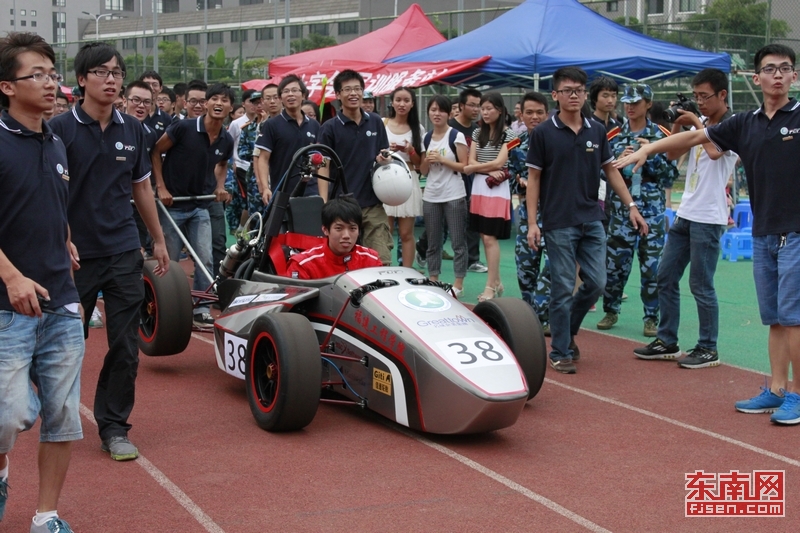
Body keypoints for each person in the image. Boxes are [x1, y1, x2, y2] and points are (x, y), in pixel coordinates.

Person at [615, 44, 800, 424]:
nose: (778, 75)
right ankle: (778, 389)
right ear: (756, 78)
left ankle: (797, 395)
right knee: (776, 319)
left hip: (795, 232)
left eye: (785, 68)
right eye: (770, 69)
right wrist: (648, 150)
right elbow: (692, 140)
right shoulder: (745, 123)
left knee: (794, 318)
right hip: (764, 232)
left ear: (794, 76)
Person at [49, 41, 170, 461]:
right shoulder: (59, 129)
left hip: (122, 249)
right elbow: (51, 193)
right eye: (101, 72)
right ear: (82, 79)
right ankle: (57, 414)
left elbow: (141, 188)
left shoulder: (133, 129)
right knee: (67, 344)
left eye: (116, 72)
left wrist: (157, 238)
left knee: (125, 345)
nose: (111, 79)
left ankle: (114, 427)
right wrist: (61, 238)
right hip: (73, 255)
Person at [0, 32, 84, 533]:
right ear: (7, 86)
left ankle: (46, 515)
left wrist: (65, 240)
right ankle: (2, 470)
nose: (51, 83)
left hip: (61, 303)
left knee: (63, 416)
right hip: (7, 306)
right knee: (8, 415)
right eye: (37, 75)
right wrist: (13, 277)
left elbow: (52, 203)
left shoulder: (56, 141)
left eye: (53, 74)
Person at [526, 66, 647, 374]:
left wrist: (631, 206)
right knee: (563, 286)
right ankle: (561, 350)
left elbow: (611, 170)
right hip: (558, 221)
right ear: (555, 95)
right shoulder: (543, 133)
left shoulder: (596, 130)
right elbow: (534, 179)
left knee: (597, 283)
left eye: (579, 90)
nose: (575, 96)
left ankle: (567, 329)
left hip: (592, 218)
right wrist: (533, 223)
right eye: (568, 91)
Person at [632, 69, 738, 368]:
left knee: (701, 284)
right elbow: (671, 155)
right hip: (686, 213)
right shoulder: (700, 122)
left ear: (722, 95)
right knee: (665, 276)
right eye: (696, 96)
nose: (700, 102)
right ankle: (667, 340)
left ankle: (708, 347)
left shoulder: (732, 124)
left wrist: (695, 123)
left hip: (709, 217)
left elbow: (714, 152)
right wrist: (679, 123)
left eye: (705, 96)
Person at [597, 84, 677, 337]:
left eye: (636, 102)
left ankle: (651, 318)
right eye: (627, 102)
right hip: (622, 213)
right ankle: (611, 310)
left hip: (651, 212)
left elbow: (670, 176)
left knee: (652, 268)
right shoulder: (612, 136)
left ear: (648, 104)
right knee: (615, 267)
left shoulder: (663, 136)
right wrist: (619, 161)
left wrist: (651, 155)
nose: (630, 107)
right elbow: (601, 173)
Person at [152, 83, 234, 326]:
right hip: (172, 205)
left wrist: (219, 186)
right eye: (215, 99)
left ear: (230, 107)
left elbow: (222, 163)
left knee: (205, 258)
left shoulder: (226, 139)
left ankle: (201, 307)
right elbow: (155, 151)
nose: (219, 103)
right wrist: (161, 187)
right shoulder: (184, 127)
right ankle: (163, 305)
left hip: (200, 206)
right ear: (206, 103)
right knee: (169, 261)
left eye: (225, 100)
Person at [317, 70, 392, 264]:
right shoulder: (329, 128)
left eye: (357, 89)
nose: (353, 93)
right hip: (342, 205)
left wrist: (383, 159)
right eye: (347, 89)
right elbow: (323, 166)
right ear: (338, 94)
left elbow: (383, 153)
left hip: (372, 203)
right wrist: (324, 202)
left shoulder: (375, 121)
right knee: (344, 261)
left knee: (380, 260)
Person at [463, 92, 519, 303]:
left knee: (489, 238)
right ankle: (496, 281)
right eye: (482, 109)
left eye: (489, 109)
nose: (484, 113)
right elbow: (471, 161)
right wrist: (480, 168)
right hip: (480, 187)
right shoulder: (478, 132)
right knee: (483, 237)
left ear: (500, 110)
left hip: (496, 188)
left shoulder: (510, 135)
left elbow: (499, 163)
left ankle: (490, 286)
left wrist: (475, 168)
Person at [508, 91, 551, 330]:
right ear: (521, 115)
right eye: (529, 112)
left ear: (547, 114)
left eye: (539, 112)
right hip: (528, 214)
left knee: (554, 268)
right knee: (525, 268)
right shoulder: (516, 145)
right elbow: (509, 176)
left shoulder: (559, 141)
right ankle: (530, 317)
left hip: (556, 215)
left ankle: (541, 314)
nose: (535, 117)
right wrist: (520, 184)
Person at [419, 95, 468, 297]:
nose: (437, 114)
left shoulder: (456, 135)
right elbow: (423, 171)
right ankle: (433, 278)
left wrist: (442, 159)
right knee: (433, 242)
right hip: (431, 194)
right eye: (433, 110)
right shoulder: (426, 137)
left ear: (449, 113)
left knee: (458, 241)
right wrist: (428, 161)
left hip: (454, 193)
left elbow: (464, 167)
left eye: (441, 110)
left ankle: (458, 283)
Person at [254, 75, 320, 206]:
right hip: (282, 190)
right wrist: (265, 187)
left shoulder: (314, 125)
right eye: (286, 91)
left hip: (310, 190)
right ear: (280, 98)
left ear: (303, 95)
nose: (290, 94)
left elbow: (320, 157)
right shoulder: (272, 125)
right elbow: (263, 159)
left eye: (295, 90)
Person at [287, 197, 382, 279]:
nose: (346, 235)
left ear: (359, 230)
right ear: (325, 230)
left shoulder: (371, 260)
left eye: (352, 228)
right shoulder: (302, 265)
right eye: (339, 228)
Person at [383, 87, 424, 268]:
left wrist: (410, 150)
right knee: (385, 230)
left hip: (408, 177)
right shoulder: (382, 124)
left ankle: (407, 271)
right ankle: (382, 269)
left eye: (406, 100)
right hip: (385, 178)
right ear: (392, 102)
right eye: (398, 100)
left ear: (412, 104)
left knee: (406, 233)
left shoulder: (418, 129)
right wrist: (387, 151)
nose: (402, 104)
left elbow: (419, 163)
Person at [227, 89, 263, 233]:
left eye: (261, 102)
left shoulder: (273, 125)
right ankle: (244, 233)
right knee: (250, 205)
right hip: (247, 170)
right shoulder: (244, 127)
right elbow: (239, 149)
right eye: (254, 103)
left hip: (272, 173)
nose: (258, 106)